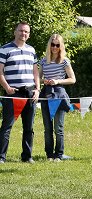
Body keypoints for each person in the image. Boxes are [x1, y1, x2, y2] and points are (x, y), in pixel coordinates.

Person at [0, 22, 40, 164]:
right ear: (15, 31)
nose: (24, 34)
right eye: (21, 31)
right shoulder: (4, 49)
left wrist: (37, 89)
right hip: (12, 93)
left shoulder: (31, 50)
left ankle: (27, 156)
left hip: (30, 92)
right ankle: (1, 157)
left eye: (26, 32)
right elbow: (0, 72)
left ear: (29, 35)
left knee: (29, 127)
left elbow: (36, 72)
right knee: (6, 126)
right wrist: (6, 87)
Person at [39, 34, 76, 162]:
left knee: (58, 128)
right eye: (52, 44)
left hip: (59, 94)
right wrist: (45, 81)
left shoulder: (65, 61)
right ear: (49, 45)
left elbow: (73, 79)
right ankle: (49, 155)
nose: (54, 47)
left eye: (57, 45)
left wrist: (57, 81)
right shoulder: (43, 61)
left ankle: (59, 154)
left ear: (61, 46)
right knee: (47, 127)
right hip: (46, 94)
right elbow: (38, 78)